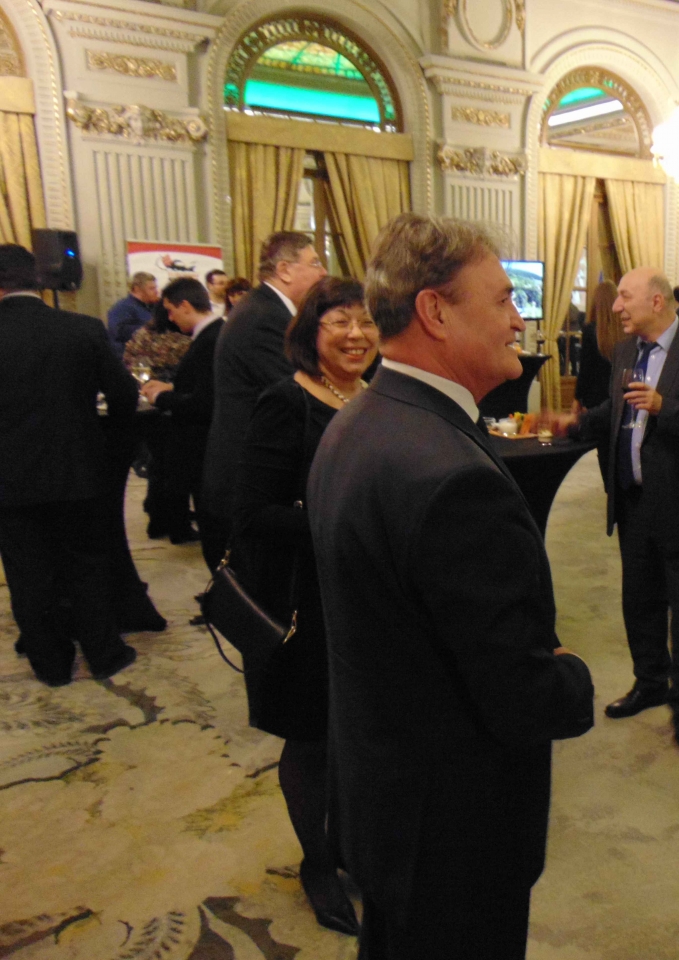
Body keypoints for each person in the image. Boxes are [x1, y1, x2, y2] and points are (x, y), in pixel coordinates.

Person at [308, 213, 593, 959]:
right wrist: (571, 674)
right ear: (435, 311)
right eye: (501, 300)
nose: (518, 320)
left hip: (388, 800)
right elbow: (519, 693)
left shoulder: (360, 419)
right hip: (452, 835)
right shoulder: (453, 476)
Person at [234, 278, 378, 938]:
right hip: (303, 603)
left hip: (365, 599)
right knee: (312, 737)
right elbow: (252, 512)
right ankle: (317, 864)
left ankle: (348, 845)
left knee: (356, 732)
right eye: (339, 321)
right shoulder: (284, 401)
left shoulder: (374, 396)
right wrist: (337, 525)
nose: (356, 334)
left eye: (366, 322)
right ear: (310, 332)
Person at [546, 266, 679, 752]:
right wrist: (574, 424)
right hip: (633, 502)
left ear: (656, 301)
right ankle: (649, 683)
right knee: (640, 600)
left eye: (624, 297)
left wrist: (664, 406)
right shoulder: (626, 351)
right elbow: (617, 410)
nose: (615, 306)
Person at [0, 244, 141, 685]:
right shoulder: (81, 328)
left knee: (26, 574)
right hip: (79, 470)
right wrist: (105, 443)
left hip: (8, 479)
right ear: (37, 280)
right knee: (87, 566)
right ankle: (104, 653)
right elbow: (124, 395)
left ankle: (51, 665)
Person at [202, 232, 327, 574]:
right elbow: (300, 392)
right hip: (248, 479)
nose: (323, 272)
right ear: (284, 270)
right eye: (315, 263)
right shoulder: (264, 318)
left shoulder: (265, 309)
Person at [140, 278, 223, 557]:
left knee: (213, 529)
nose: (171, 318)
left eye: (171, 311)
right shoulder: (212, 333)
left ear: (185, 305)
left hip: (202, 446)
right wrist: (171, 387)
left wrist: (160, 398)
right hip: (203, 443)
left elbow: (204, 402)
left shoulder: (210, 339)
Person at [126, 300, 195, 541]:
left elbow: (128, 362)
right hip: (173, 407)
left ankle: (157, 520)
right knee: (177, 470)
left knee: (157, 466)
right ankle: (178, 525)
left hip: (147, 408)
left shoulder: (141, 335)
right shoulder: (183, 342)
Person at [574, 280, 619, 412]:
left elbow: (585, 369)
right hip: (617, 394)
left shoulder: (590, 331)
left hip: (594, 396)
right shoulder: (624, 331)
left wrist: (577, 398)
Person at [107, 272, 160, 358]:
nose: (156, 292)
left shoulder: (153, 307)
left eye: (155, 288)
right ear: (137, 289)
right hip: (129, 357)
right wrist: (151, 327)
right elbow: (119, 332)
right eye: (151, 288)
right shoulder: (122, 307)